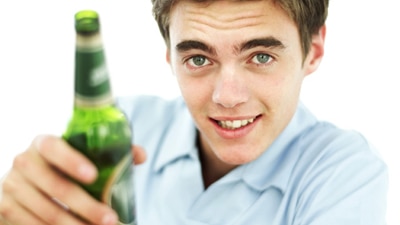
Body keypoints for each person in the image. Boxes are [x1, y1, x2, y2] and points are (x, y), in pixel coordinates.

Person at [0, 0, 388, 224]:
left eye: (262, 56)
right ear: (169, 55)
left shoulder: (345, 172)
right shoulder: (129, 127)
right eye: (199, 58)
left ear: (313, 51)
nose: (227, 96)